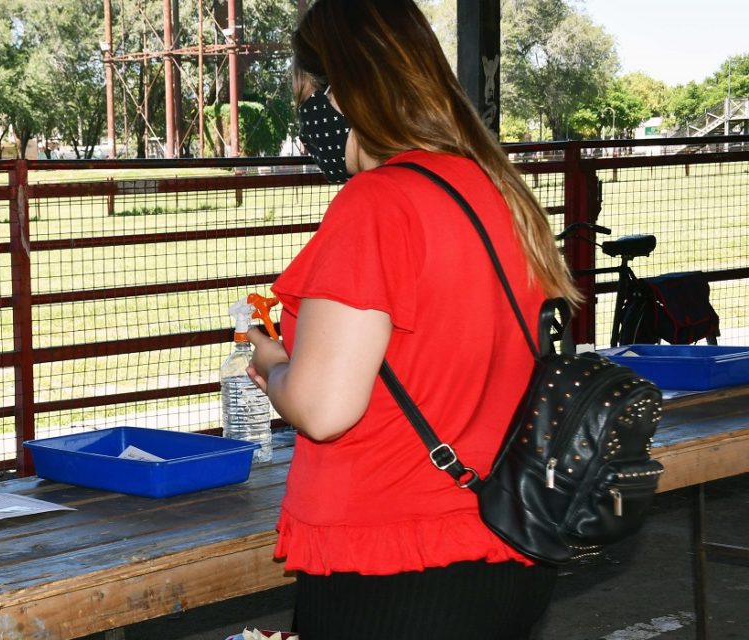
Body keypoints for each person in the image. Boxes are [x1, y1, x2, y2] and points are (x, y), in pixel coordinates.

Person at [245, 2, 581, 638]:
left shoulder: (375, 204)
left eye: (309, 94)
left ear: (343, 92)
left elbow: (323, 408)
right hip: (507, 534)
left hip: (396, 562)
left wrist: (270, 362)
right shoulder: (495, 188)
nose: (309, 115)